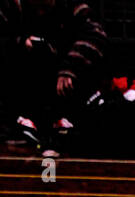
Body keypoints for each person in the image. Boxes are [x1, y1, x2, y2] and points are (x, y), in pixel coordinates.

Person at [0, 0, 107, 156]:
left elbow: (96, 35)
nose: (41, 11)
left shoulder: (72, 7)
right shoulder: (13, 6)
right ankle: (18, 122)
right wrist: (20, 40)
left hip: (60, 79)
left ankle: (62, 123)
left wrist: (70, 68)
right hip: (21, 81)